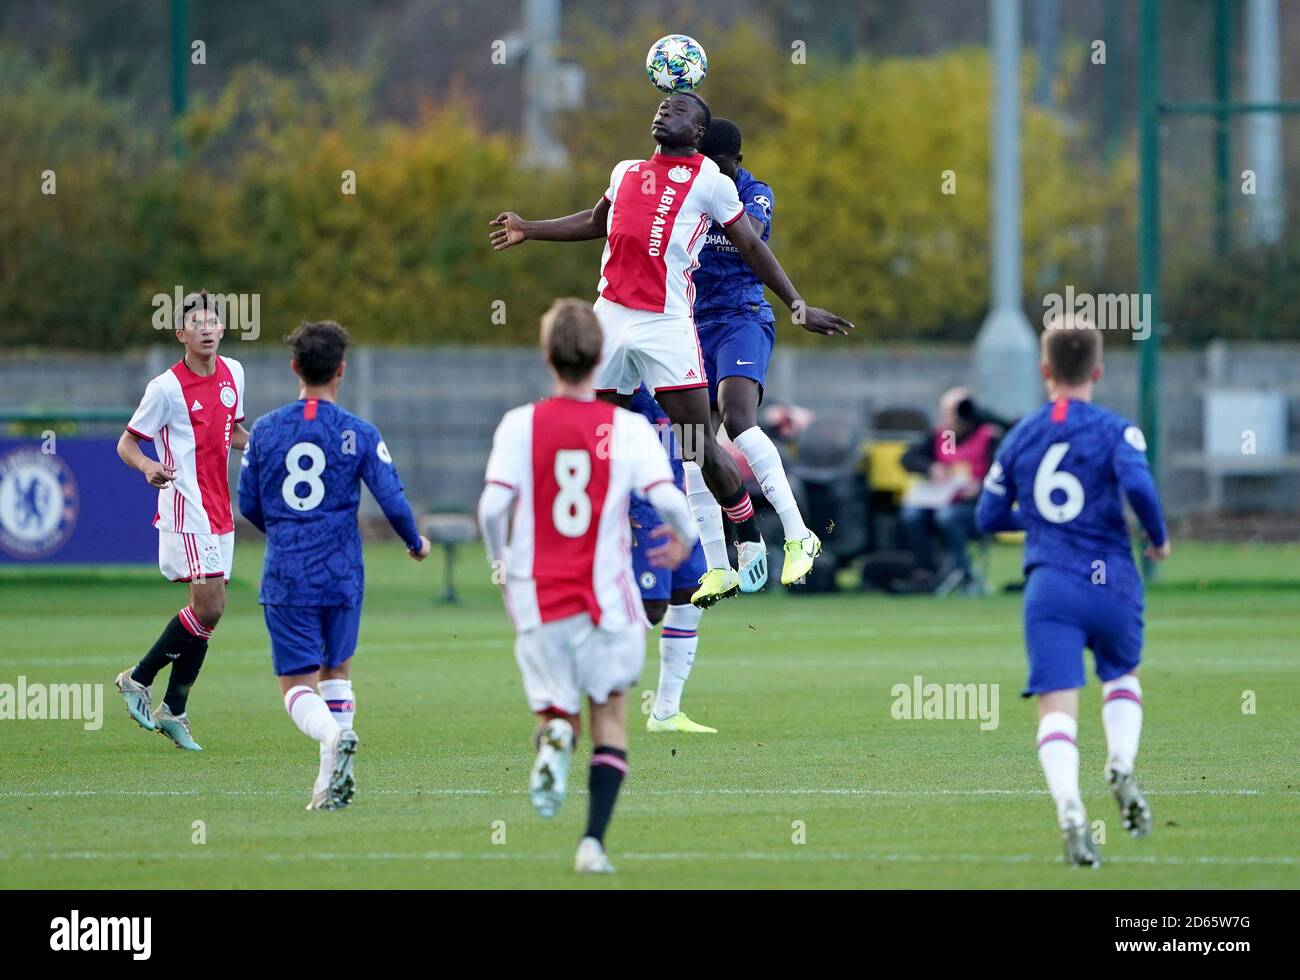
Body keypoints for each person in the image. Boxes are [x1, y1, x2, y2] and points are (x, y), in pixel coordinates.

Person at [489, 92, 852, 606]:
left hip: (668, 322)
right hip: (612, 314)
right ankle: (615, 547)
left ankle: (758, 536)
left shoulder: (712, 182)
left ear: (699, 133)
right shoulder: (626, 171)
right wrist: (531, 228)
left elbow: (752, 245)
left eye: (680, 109)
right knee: (594, 433)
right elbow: (597, 223)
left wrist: (797, 305)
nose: (665, 111)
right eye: (663, 107)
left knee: (699, 440)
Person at [478, 298, 698, 874]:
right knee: (610, 715)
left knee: (557, 710)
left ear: (547, 356)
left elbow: (492, 507)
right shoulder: (625, 428)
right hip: (607, 595)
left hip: (539, 592)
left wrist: (501, 566)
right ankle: (592, 844)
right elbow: (671, 499)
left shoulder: (518, 424)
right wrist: (682, 536)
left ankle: (554, 737)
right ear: (603, 356)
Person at [976, 316, 1169, 867]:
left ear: (1045, 372)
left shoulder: (1021, 435)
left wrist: (1036, 518)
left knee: (1057, 709)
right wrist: (1157, 538)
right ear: (1098, 371)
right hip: (1113, 581)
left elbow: (987, 516)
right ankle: (1122, 762)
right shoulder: (1118, 430)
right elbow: (1138, 484)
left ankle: (1068, 806)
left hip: (1051, 586)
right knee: (1120, 676)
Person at [237, 321, 431, 810]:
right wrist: (415, 543)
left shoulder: (264, 430)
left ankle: (330, 741)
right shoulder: (359, 432)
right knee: (336, 669)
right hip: (342, 571)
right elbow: (392, 499)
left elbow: (249, 505)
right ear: (341, 371)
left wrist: (284, 531)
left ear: (294, 367)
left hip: (286, 571)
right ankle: (328, 785)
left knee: (295, 683)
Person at [691, 118, 823, 590]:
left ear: (738, 163)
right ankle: (718, 567)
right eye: (706, 164)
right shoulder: (686, 191)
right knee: (692, 446)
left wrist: (798, 305)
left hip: (741, 317)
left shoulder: (754, 192)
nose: (714, 172)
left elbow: (750, 236)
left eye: (722, 165)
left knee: (738, 418)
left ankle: (797, 534)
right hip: (689, 324)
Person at [115, 291, 248, 751]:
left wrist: (265, 445)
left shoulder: (235, 373)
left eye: (214, 321)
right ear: (182, 334)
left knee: (206, 617)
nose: (208, 329)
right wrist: (148, 466)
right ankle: (138, 678)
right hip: (185, 508)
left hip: (220, 512)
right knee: (210, 607)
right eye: (198, 323)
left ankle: (174, 709)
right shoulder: (165, 388)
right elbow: (127, 444)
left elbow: (234, 432)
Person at [628, 386, 714, 733]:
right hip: (643, 509)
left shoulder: (682, 372)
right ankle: (585, 682)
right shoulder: (627, 381)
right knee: (651, 607)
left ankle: (665, 712)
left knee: (690, 598)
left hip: (682, 505)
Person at [899, 387, 999, 593]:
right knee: (911, 515)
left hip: (974, 509)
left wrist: (980, 487)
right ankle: (926, 571)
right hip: (943, 501)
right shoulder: (945, 436)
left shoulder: (988, 436)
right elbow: (908, 458)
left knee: (948, 517)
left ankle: (964, 573)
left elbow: (1001, 474)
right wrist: (930, 467)